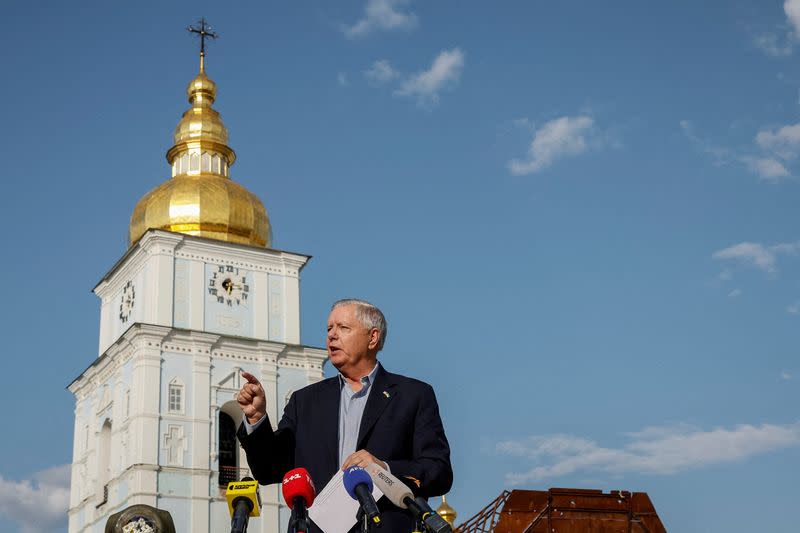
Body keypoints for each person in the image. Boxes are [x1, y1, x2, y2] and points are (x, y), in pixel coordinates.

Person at [236, 298, 453, 532]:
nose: (332, 335)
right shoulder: (305, 401)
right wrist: (256, 418)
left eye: (343, 328)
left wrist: (384, 468)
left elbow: (438, 472)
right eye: (329, 328)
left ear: (373, 338)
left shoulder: (413, 395)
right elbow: (269, 469)